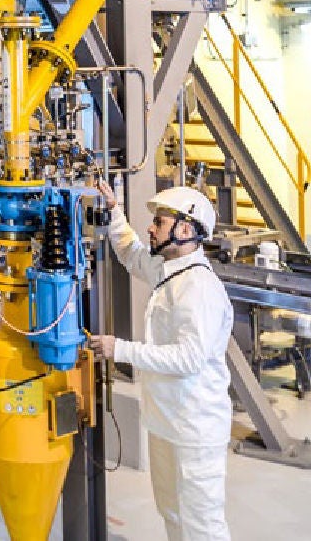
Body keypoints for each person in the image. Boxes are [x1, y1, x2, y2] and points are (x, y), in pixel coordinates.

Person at [90, 181, 234, 541]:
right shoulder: (170, 270)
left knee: (201, 525)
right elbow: (130, 253)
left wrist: (118, 349)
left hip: (195, 429)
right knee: (172, 513)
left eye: (159, 223)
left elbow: (189, 358)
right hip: (168, 421)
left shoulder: (197, 288)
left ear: (185, 230)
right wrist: (113, 211)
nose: (151, 229)